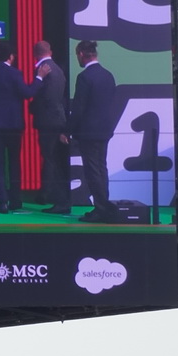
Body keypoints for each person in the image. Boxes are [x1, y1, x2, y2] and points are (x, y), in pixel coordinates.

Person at [0, 39, 49, 214]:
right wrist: (39, 77)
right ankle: (15, 200)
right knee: (14, 163)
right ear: (12, 56)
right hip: (13, 126)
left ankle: (2, 202)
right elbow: (28, 93)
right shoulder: (15, 74)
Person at [65, 40, 118, 223]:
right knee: (101, 168)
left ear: (81, 54)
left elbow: (79, 108)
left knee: (93, 170)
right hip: (104, 130)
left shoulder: (85, 77)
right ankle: (103, 206)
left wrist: (68, 130)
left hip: (89, 131)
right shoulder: (108, 75)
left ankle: (101, 208)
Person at [29, 40, 71, 214]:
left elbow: (48, 98)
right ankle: (47, 194)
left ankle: (56, 198)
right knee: (50, 158)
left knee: (51, 159)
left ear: (35, 53)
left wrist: (32, 107)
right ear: (50, 51)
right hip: (54, 120)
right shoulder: (57, 69)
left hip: (49, 121)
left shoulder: (46, 70)